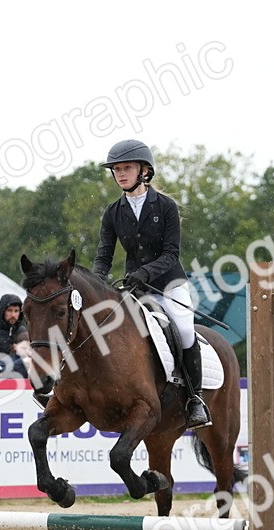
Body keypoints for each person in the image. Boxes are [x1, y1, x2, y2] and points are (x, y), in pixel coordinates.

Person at [92, 138, 209, 429]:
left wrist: (145, 272)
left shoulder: (165, 206)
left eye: (127, 168)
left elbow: (171, 254)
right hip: (135, 289)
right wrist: (95, 282)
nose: (120, 174)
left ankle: (195, 399)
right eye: (116, 169)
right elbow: (104, 257)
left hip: (169, 285)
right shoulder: (113, 213)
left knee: (184, 330)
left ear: (144, 170)